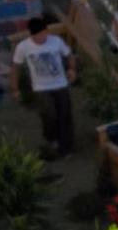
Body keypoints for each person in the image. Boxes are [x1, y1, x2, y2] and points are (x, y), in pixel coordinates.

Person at [11, 17, 76, 156]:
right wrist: (15, 88)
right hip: (41, 88)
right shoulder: (23, 47)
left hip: (60, 85)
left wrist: (71, 69)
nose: (40, 38)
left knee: (64, 115)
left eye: (42, 34)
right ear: (31, 34)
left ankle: (67, 147)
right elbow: (15, 67)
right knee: (49, 115)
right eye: (36, 36)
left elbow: (68, 54)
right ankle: (51, 139)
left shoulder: (56, 41)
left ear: (46, 31)